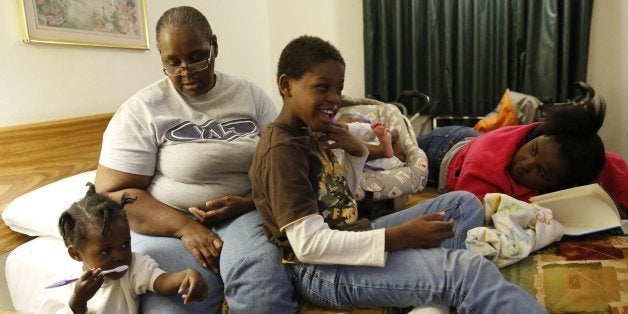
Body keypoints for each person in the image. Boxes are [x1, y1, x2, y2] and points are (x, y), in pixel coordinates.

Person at [249, 35, 545, 313]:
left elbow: (343, 199)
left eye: (338, 88)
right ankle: (440, 288)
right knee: (467, 269)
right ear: (287, 86)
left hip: (351, 234)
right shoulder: (282, 151)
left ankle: (430, 298)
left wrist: (356, 150)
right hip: (322, 271)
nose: (334, 98)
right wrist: (398, 237)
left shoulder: (310, 131)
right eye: (322, 87)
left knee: (463, 204)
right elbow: (309, 245)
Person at [94, 6, 296, 313]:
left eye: (198, 57)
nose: (186, 72)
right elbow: (112, 194)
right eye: (172, 63)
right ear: (161, 58)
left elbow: (283, 163)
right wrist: (185, 228)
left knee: (261, 295)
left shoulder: (249, 94)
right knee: (170, 306)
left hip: (245, 214)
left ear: (214, 46)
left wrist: (249, 201)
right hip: (170, 224)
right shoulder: (143, 109)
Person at [416, 99, 628, 213]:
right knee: (402, 153)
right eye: (533, 150)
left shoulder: (568, 154)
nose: (526, 164)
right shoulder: (484, 168)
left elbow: (611, 166)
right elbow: (472, 213)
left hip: (475, 140)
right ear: (537, 136)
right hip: (443, 148)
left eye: (541, 172)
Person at [39, 183, 208, 313]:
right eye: (106, 251)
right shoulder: (65, 286)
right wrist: (78, 300)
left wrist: (186, 276)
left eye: (125, 244)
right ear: (76, 254)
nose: (120, 256)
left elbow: (160, 282)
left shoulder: (133, 267)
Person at [335, 111, 405, 171]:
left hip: (395, 157)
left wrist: (386, 132)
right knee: (356, 151)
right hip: (382, 161)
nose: (355, 124)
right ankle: (383, 150)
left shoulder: (374, 135)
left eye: (355, 123)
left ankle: (386, 138)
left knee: (394, 132)